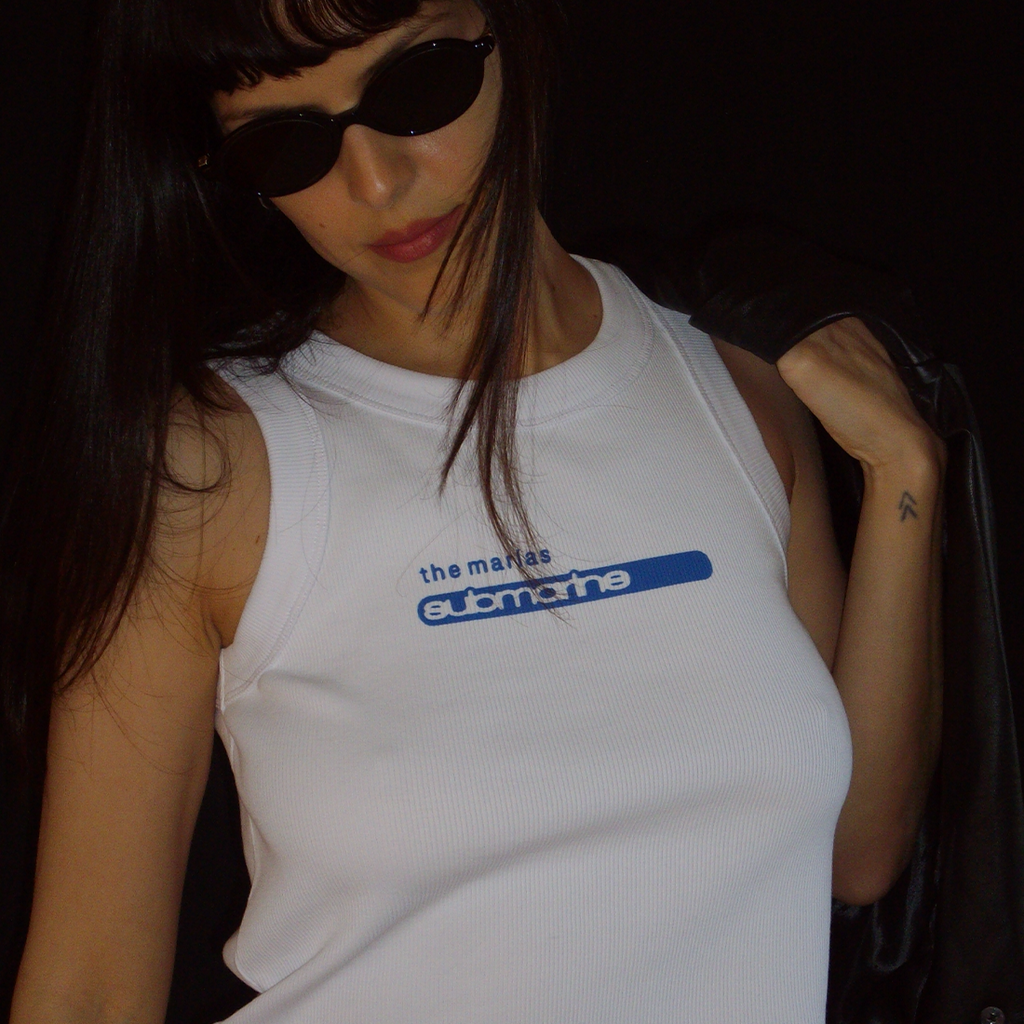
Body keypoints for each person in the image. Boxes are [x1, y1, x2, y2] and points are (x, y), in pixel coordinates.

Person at [1, 0, 946, 1019]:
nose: (376, 183)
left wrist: (905, 472)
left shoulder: (733, 387)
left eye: (417, 86)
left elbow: (856, 854)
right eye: (284, 144)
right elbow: (88, 989)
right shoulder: (208, 470)